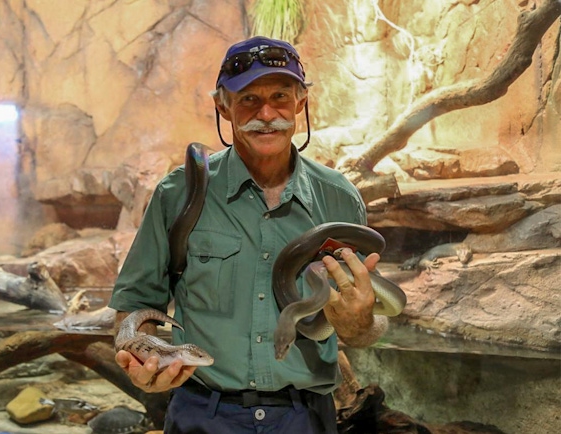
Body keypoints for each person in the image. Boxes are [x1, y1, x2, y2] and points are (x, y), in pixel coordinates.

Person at [109, 36, 387, 434]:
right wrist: (142, 356)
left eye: (280, 96)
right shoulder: (178, 194)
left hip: (304, 418)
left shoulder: (339, 200)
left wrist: (359, 323)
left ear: (301, 103)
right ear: (223, 105)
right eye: (248, 100)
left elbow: (368, 327)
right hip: (202, 415)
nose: (267, 113)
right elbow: (135, 305)